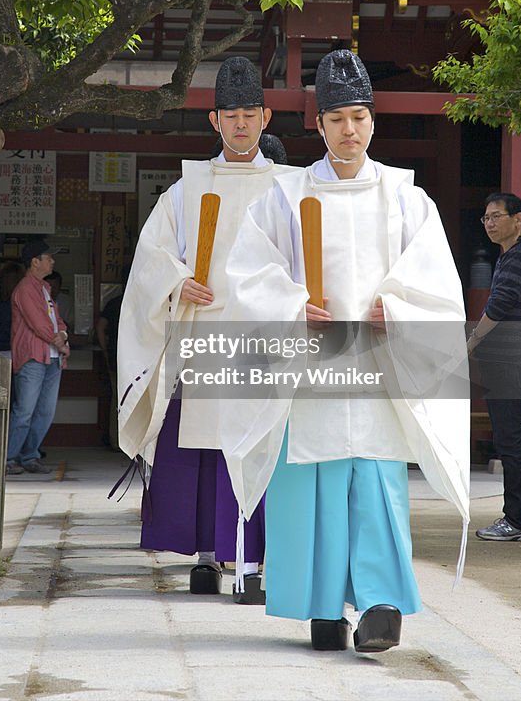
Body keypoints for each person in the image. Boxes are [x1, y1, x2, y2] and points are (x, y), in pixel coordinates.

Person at [219, 49, 469, 652]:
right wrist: (288, 306)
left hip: (378, 367)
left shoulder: (408, 199)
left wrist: (401, 310)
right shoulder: (285, 197)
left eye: (358, 117)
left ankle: (381, 606)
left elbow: (438, 284)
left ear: (372, 121)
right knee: (314, 488)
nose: (349, 130)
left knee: (378, 482)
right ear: (320, 125)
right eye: (336, 120)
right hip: (311, 371)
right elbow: (247, 272)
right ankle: (322, 609)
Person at [116, 57, 293, 600]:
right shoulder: (186, 189)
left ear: (265, 117)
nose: (241, 124)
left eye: (250, 114)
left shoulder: (291, 186)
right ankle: (209, 555)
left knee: (259, 442)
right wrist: (175, 282)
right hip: (205, 338)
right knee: (205, 446)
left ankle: (255, 561)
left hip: (266, 341)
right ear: (214, 121)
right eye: (230, 115)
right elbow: (152, 255)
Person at [468, 193, 521, 542]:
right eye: (486, 218)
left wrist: (470, 342)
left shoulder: (520, 256)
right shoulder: (510, 256)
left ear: (518, 219)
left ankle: (520, 520)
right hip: (507, 361)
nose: (490, 223)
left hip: (510, 362)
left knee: (511, 441)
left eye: (497, 216)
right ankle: (520, 518)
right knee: (509, 439)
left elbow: (497, 307)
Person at [6, 240, 69, 475]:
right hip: (34, 356)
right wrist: (61, 341)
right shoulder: (25, 288)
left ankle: (29, 455)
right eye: (48, 257)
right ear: (35, 262)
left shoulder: (44, 288)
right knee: (25, 410)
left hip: (51, 356)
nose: (52, 261)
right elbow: (40, 325)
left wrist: (62, 336)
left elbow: (58, 322)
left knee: (45, 411)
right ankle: (10, 457)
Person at [96, 263, 132, 448]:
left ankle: (116, 441)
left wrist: (104, 349)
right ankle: (134, 445)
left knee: (117, 401)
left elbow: (100, 327)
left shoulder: (114, 302)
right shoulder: (142, 302)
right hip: (138, 361)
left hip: (115, 357)